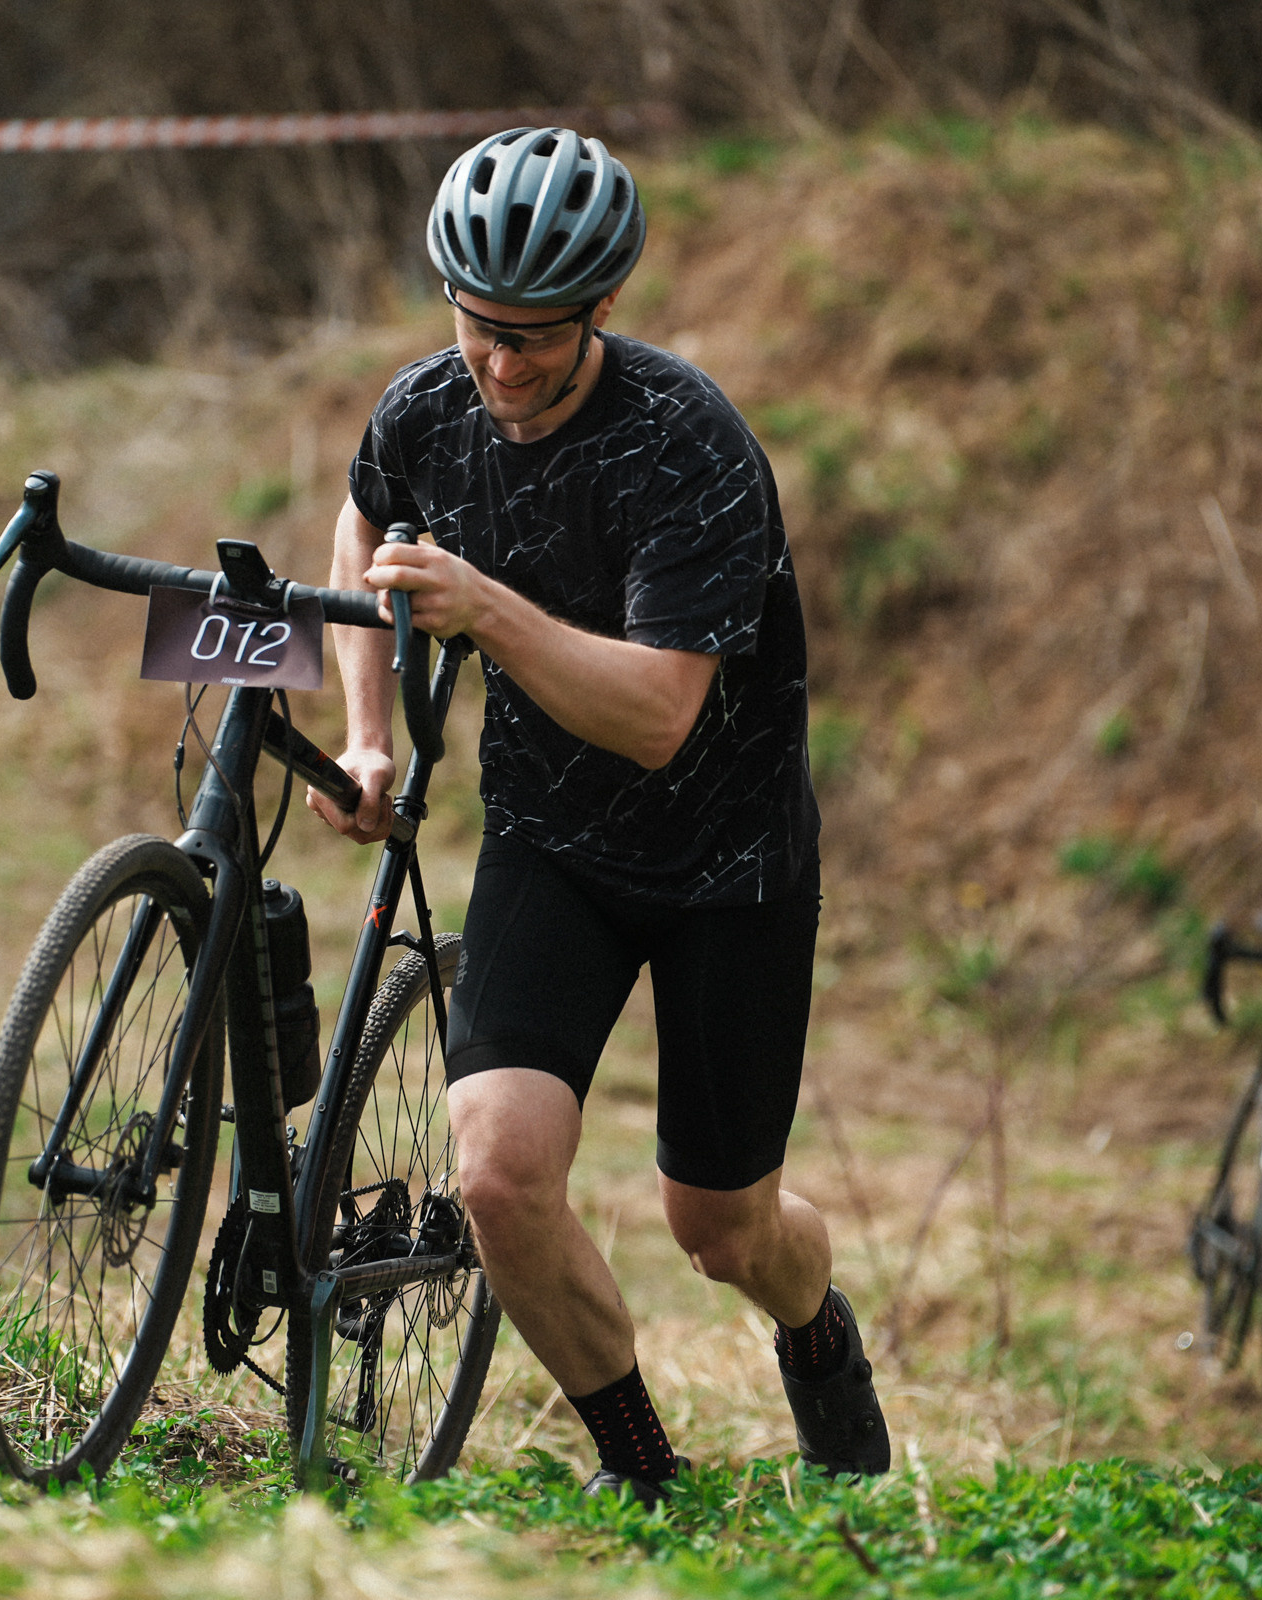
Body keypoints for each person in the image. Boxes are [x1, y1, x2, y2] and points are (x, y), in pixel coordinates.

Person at [305, 127, 887, 1503]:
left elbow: (658, 717)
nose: (501, 364)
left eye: (538, 338)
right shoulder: (427, 407)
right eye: (480, 327)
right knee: (500, 1177)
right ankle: (647, 1476)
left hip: (727, 865)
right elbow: (362, 529)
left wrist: (488, 609)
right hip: (554, 848)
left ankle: (817, 1330)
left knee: (724, 1228)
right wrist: (371, 735)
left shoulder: (691, 449)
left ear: (603, 310)